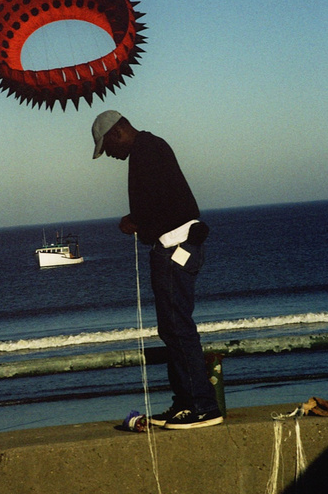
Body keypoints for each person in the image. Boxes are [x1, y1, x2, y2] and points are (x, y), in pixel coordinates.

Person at [91, 110, 223, 429]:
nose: (109, 154)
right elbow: (165, 202)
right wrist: (140, 219)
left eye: (106, 147)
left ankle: (202, 406)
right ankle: (185, 403)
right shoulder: (152, 146)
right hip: (183, 243)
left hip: (174, 246)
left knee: (176, 326)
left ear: (117, 132)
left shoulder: (144, 152)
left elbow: (157, 205)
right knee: (173, 326)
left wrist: (134, 222)